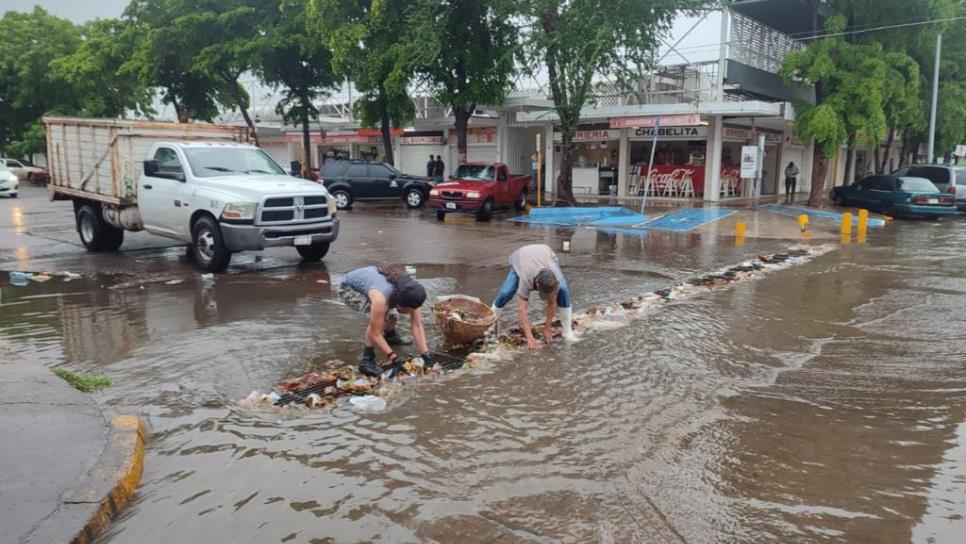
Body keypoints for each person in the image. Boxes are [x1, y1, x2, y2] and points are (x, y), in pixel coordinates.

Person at [339, 265, 431, 377]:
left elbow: (416, 325)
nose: (408, 313)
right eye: (406, 310)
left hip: (373, 281)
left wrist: (425, 354)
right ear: (398, 300)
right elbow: (375, 332)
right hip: (349, 289)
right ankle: (366, 359)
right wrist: (393, 358)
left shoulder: (412, 293)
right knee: (381, 319)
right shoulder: (381, 298)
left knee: (391, 315)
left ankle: (390, 336)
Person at [491, 244, 576, 350]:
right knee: (506, 293)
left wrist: (548, 328)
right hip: (522, 258)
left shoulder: (556, 279)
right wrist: (529, 338)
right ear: (537, 284)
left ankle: (567, 331)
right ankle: (490, 320)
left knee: (563, 290)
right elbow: (522, 309)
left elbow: (552, 303)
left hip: (546, 254)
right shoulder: (526, 279)